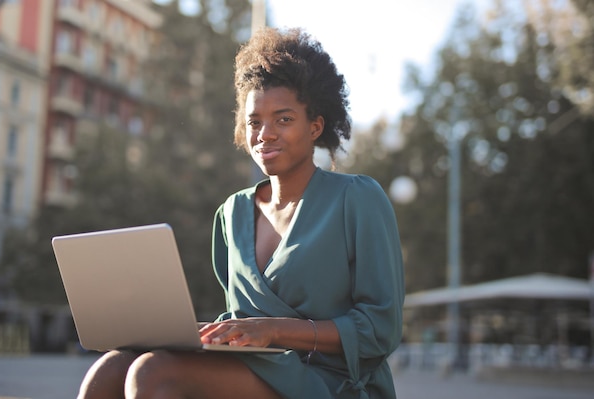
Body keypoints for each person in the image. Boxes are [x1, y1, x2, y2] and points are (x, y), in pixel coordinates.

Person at [77, 27, 405, 399]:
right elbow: (240, 321)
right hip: (257, 368)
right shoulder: (232, 214)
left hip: (332, 380)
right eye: (254, 121)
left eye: (283, 119)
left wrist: (273, 330)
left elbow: (381, 329)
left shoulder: (357, 199)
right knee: (114, 367)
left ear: (315, 126)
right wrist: (193, 331)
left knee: (154, 373)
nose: (265, 133)